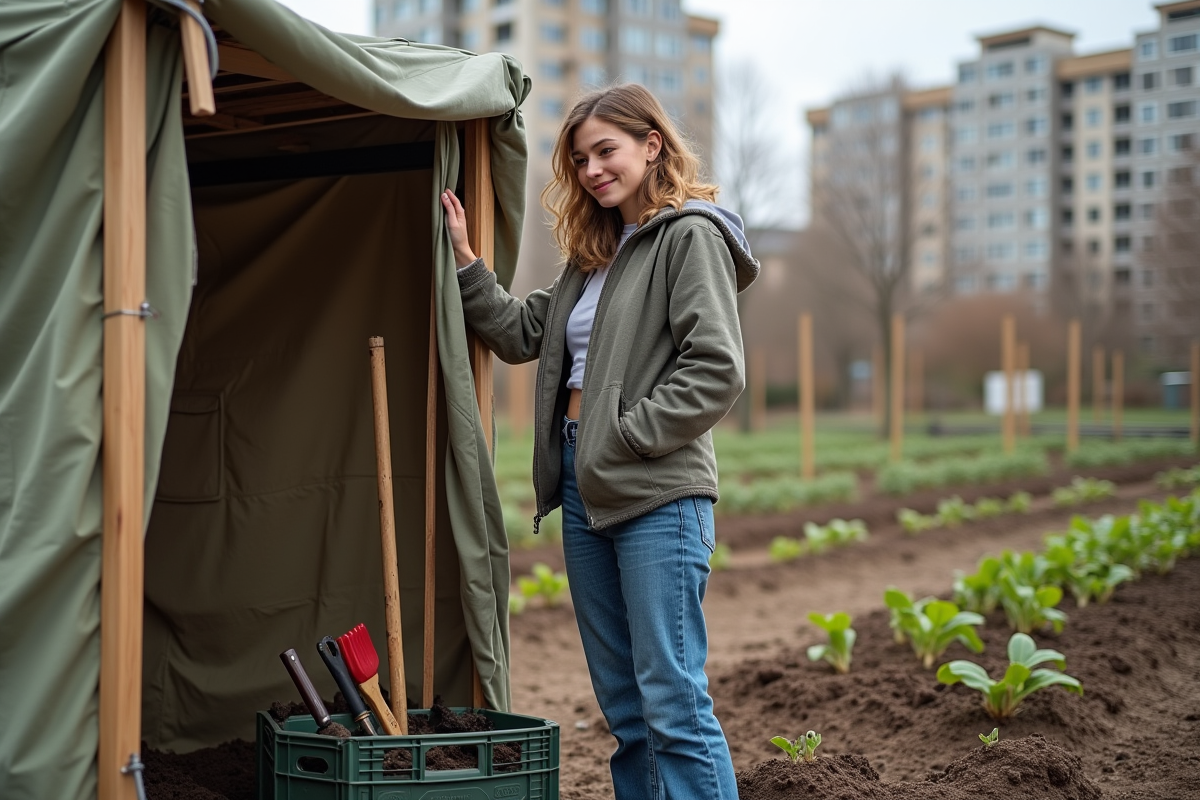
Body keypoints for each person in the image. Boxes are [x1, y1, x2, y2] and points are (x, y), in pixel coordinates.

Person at [441, 82, 757, 800]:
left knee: (672, 701)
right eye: (580, 159)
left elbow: (717, 369)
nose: (591, 170)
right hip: (586, 489)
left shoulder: (689, 236)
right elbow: (523, 334)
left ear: (652, 145)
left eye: (605, 151)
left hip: (657, 491)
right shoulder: (594, 257)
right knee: (625, 707)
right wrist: (465, 262)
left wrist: (623, 436)